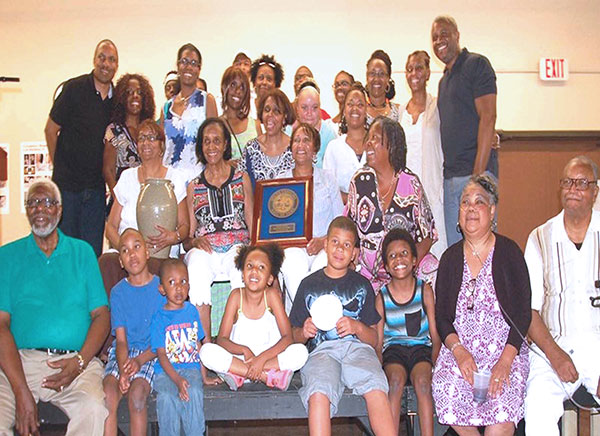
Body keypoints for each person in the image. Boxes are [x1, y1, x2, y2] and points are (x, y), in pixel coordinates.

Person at [0, 179, 109, 436]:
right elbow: (1, 326)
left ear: (59, 210)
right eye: (33, 202)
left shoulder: (82, 253)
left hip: (75, 362)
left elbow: (102, 316)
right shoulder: (7, 257)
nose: (40, 208)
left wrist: (80, 361)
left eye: (48, 202)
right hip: (20, 364)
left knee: (93, 410)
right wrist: (20, 390)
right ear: (27, 211)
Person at [432, 174, 531, 434]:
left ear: (492, 210)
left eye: (479, 202)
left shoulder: (509, 252)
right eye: (465, 203)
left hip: (505, 351)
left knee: (500, 407)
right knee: (444, 385)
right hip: (461, 352)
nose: (472, 208)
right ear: (458, 214)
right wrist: (459, 352)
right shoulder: (450, 258)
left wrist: (506, 360)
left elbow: (522, 313)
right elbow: (442, 317)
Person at [290, 216, 395, 436]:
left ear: (354, 253)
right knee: (318, 393)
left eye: (347, 245)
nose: (340, 249)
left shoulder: (361, 284)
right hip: (321, 353)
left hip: (357, 350)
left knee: (375, 387)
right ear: (326, 245)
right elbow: (293, 336)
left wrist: (357, 327)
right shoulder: (308, 285)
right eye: (335, 242)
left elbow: (373, 339)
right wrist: (304, 331)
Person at [524, 156, 600, 435]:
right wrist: (555, 356)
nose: (573, 189)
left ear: (595, 191)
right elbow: (530, 311)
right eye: (568, 182)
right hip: (551, 349)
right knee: (537, 410)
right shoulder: (540, 237)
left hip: (597, 346)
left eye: (582, 183)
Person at [346, 116, 438, 294]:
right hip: (367, 272)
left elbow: (428, 235)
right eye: (369, 138)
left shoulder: (411, 184)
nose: (369, 144)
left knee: (433, 270)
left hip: (404, 269)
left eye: (376, 138)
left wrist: (406, 268)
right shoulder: (360, 181)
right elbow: (348, 227)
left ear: (393, 146)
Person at [183, 118, 253, 348]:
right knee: (196, 267)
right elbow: (187, 238)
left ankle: (235, 343)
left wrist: (254, 251)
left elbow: (252, 223)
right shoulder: (194, 185)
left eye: (216, 141)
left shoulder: (241, 178)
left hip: (238, 245)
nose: (211, 147)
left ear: (225, 145)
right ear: (201, 147)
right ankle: (205, 346)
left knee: (239, 263)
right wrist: (194, 241)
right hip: (207, 248)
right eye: (206, 142)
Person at [44, 39, 118, 257]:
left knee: (90, 255)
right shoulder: (74, 89)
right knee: (65, 252)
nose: (106, 63)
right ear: (94, 60)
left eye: (111, 59)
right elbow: (50, 130)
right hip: (67, 190)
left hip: (95, 191)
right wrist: (61, 169)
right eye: (102, 57)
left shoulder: (116, 102)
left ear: (117, 65)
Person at [200, 243, 309, 391]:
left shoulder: (272, 296)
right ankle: (266, 377)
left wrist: (261, 360)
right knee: (206, 351)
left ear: (270, 279)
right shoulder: (235, 296)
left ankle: (241, 374)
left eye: (261, 267)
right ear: (243, 275)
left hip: (269, 361)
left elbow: (287, 338)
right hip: (242, 359)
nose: (254, 271)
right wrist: (244, 350)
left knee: (300, 353)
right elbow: (221, 340)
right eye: (249, 266)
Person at [431, 15, 498, 247]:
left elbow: (488, 117)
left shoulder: (477, 65)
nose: (439, 40)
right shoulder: (443, 82)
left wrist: (477, 178)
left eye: (444, 34)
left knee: (481, 247)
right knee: (457, 250)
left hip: (476, 172)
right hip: (451, 180)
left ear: (457, 36)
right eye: (435, 37)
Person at [101, 120, 189, 290]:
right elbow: (111, 227)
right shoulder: (127, 177)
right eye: (141, 138)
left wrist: (174, 237)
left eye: (151, 138)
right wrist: (127, 250)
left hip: (161, 255)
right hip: (126, 256)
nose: (145, 143)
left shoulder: (175, 178)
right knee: (107, 263)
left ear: (162, 146)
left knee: (156, 268)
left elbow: (185, 226)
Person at [375, 229, 440, 436]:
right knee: (394, 383)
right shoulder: (382, 297)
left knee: (422, 384)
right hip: (393, 350)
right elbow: (378, 342)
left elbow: (435, 335)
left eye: (404, 253)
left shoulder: (424, 290)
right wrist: (377, 366)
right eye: (392, 256)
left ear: (414, 260)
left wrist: (436, 360)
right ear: (386, 266)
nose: (398, 259)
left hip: (421, 348)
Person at [103, 229, 165, 436]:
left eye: (137, 246)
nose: (132, 254)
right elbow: (120, 341)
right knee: (108, 396)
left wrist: (139, 361)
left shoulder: (161, 289)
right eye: (125, 250)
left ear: (147, 252)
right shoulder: (118, 292)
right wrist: (123, 370)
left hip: (152, 353)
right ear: (120, 261)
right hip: (123, 353)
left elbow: (162, 340)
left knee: (137, 396)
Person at [278, 124, 344, 311]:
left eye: (306, 140)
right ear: (291, 148)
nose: (301, 145)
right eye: (296, 140)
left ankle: (309, 321)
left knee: (322, 269)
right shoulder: (280, 181)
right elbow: (274, 225)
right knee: (291, 266)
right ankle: (309, 318)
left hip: (323, 246)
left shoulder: (328, 179)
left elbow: (339, 222)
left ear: (315, 148)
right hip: (293, 248)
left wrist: (323, 241)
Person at [399, 50, 447, 258]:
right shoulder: (400, 112)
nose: (414, 73)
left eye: (419, 68)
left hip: (433, 190)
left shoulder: (438, 106)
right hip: (406, 194)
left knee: (437, 248)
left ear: (428, 73)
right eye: (409, 69)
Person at [151, 258, 207, 436]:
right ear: (162, 289)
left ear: (189, 286)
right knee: (166, 398)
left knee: (194, 392)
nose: (178, 287)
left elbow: (198, 345)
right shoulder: (159, 317)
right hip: (165, 371)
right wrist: (176, 379)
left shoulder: (191, 311)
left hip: (190, 369)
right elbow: (160, 354)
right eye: (172, 282)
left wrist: (204, 376)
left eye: (183, 282)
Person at [161, 43, 218, 181]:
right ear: (178, 66)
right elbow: (162, 148)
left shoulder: (206, 100)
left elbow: (216, 141)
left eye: (194, 63)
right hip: (170, 179)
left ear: (199, 69)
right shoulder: (167, 107)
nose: (188, 67)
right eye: (184, 61)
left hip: (199, 177)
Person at [103, 73, 156, 211]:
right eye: (129, 93)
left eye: (139, 93)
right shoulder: (113, 130)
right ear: (122, 98)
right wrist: (119, 201)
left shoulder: (151, 130)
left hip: (149, 202)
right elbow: (108, 171)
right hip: (123, 203)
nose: (135, 96)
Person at [238, 89, 295, 189]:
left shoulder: (295, 148)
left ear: (285, 117)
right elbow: (242, 188)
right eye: (267, 110)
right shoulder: (251, 149)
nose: (270, 115)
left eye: (276, 111)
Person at [323, 82, 368, 203]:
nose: (355, 108)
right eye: (350, 104)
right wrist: (355, 201)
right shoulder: (334, 147)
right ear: (344, 110)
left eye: (360, 105)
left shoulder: (376, 145)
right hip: (343, 217)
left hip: (376, 217)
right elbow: (328, 188)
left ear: (366, 110)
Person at [219, 66, 262, 161]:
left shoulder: (255, 125)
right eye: (233, 85)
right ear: (224, 87)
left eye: (242, 87)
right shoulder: (216, 126)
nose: (237, 91)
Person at [293, 81, 338, 167]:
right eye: (304, 108)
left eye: (314, 108)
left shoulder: (329, 135)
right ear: (297, 108)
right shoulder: (288, 132)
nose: (309, 113)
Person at [365, 50, 400, 127]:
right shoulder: (359, 112)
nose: (376, 79)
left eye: (382, 74)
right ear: (367, 77)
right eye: (372, 73)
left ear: (388, 79)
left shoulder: (399, 112)